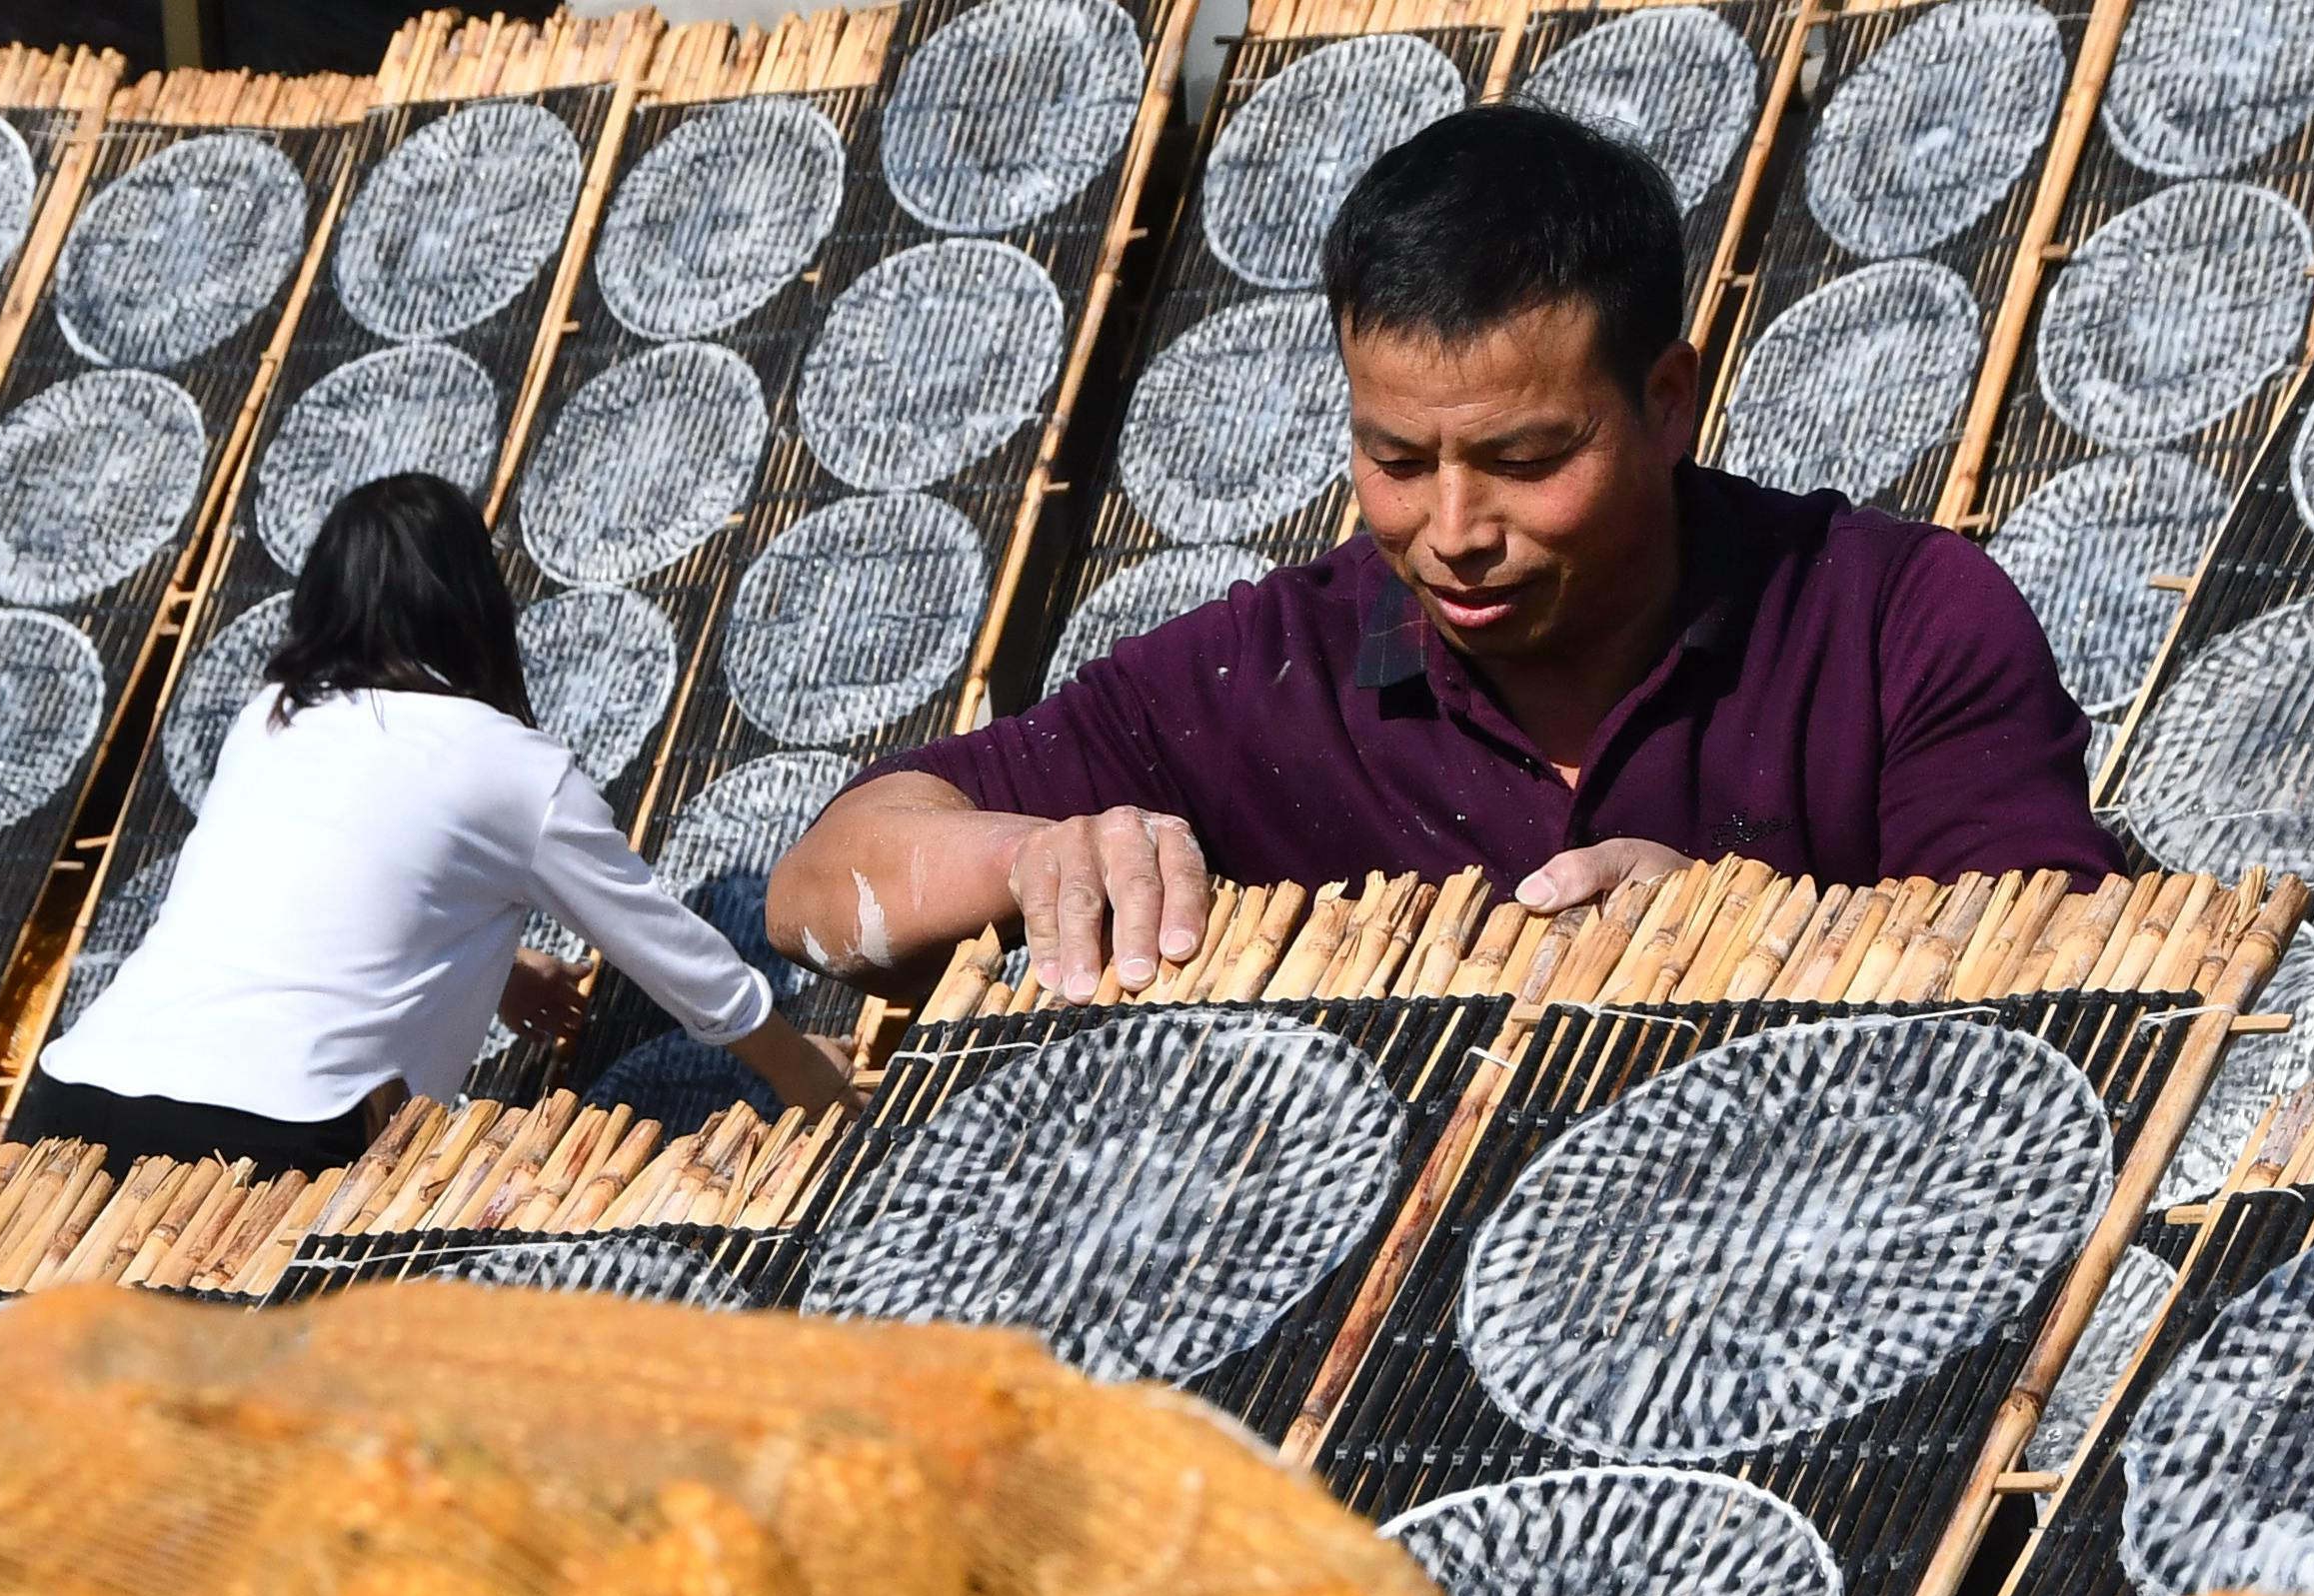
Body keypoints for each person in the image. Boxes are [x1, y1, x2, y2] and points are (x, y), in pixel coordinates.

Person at [770, 104, 2124, 1003]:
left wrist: (1754, 941)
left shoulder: (1898, 625)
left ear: (1666, 401)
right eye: (1398, 463)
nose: (1455, 532)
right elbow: (821, 884)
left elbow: (2056, 992)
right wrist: (1036, 862)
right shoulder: (1266, 676)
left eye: (1528, 463)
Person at [27, 472, 852, 1176]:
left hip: (73, 1105)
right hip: (271, 1136)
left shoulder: (271, 718)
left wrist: (500, 963)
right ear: (470, 603)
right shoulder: (512, 766)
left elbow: (292, 906)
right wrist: (802, 1073)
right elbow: (675, 959)